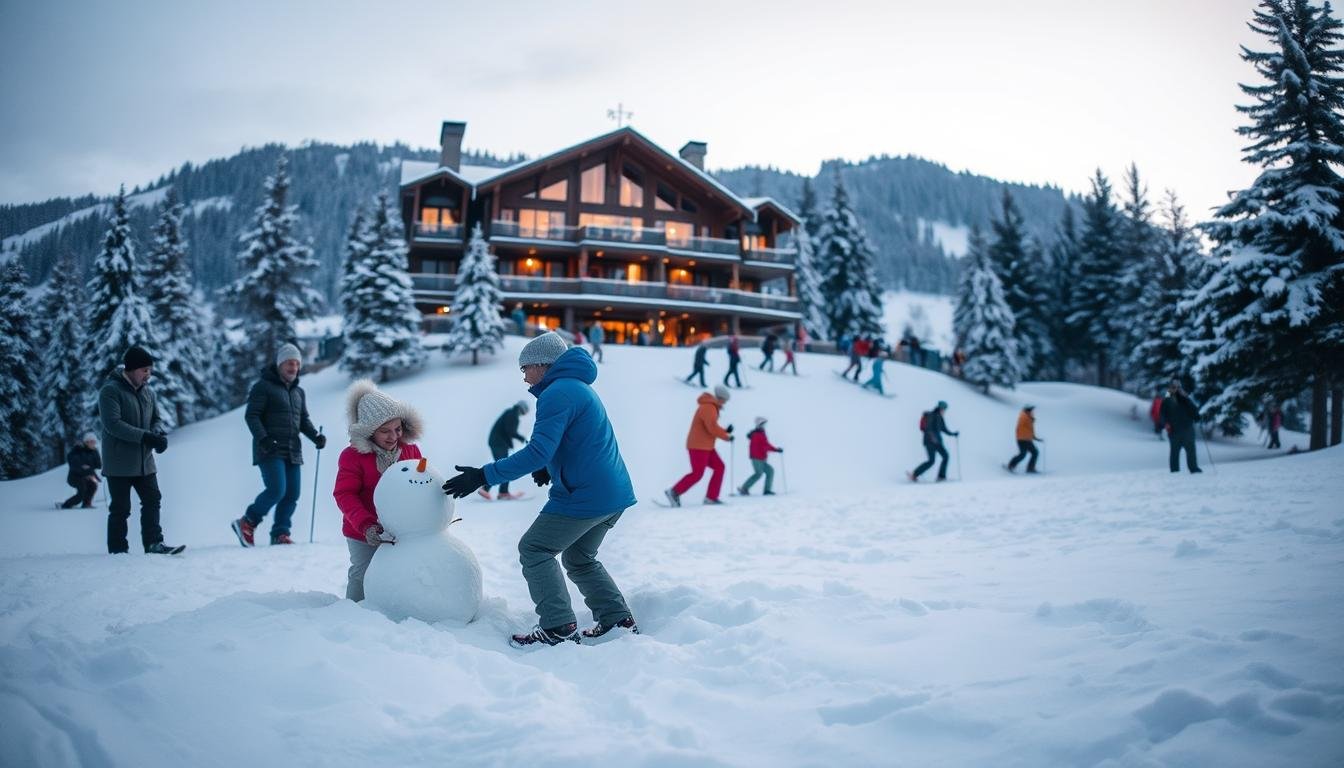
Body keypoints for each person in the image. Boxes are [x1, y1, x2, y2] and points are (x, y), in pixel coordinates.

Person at [441, 332, 639, 647]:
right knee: (579, 557)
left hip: (585, 495)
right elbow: (576, 441)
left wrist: (484, 476)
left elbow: (538, 451)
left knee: (535, 549)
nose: (524, 378)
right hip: (611, 493)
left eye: (525, 369)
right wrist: (550, 467)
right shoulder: (577, 388)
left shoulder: (557, 393)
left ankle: (558, 626)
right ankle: (617, 618)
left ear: (542, 365)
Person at [332, 379, 425, 602]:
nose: (393, 436)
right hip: (363, 531)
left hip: (402, 529)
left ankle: (395, 608)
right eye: (385, 431)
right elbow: (345, 494)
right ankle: (354, 609)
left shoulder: (410, 450)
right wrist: (366, 526)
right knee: (364, 572)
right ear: (369, 431)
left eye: (398, 429)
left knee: (401, 572)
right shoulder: (353, 456)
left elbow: (420, 484)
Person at [232, 343, 327, 547]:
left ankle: (280, 533)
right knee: (276, 489)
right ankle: (247, 522)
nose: (293, 367)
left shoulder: (298, 392)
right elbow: (252, 415)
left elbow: (303, 420)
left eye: (296, 363)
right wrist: (264, 440)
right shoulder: (263, 386)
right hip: (269, 448)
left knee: (292, 493)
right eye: (289, 363)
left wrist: (315, 437)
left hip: (293, 449)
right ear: (279, 364)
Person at [99, 345, 182, 555]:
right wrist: (146, 436)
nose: (148, 375)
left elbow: (156, 419)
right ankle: (118, 551)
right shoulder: (110, 390)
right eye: (144, 370)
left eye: (150, 370)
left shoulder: (148, 393)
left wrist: (157, 433)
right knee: (121, 509)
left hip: (144, 461)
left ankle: (154, 544)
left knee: (153, 500)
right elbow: (113, 424)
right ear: (131, 369)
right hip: (118, 462)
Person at [665, 384, 734, 506]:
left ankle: (711, 497)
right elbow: (711, 427)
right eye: (725, 400)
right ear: (720, 398)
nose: (725, 403)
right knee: (697, 473)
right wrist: (726, 437)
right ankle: (674, 491)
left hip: (706, 446)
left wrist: (725, 431)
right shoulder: (708, 407)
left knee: (719, 467)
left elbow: (711, 425)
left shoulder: (711, 406)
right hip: (698, 446)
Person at [482, 400, 530, 501]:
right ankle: (490, 489)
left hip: (497, 442)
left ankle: (500, 491)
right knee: (504, 467)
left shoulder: (510, 413)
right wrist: (522, 439)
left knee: (503, 466)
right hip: (498, 443)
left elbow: (507, 430)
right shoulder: (513, 415)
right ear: (523, 409)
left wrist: (510, 443)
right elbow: (510, 431)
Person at [908, 400, 959, 482]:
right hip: (929, 442)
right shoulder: (931, 415)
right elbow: (928, 429)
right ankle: (914, 474)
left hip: (937, 442)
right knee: (932, 461)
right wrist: (933, 438)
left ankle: (941, 477)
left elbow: (944, 429)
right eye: (944, 409)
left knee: (945, 456)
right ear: (940, 408)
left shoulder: (940, 417)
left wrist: (953, 434)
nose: (945, 411)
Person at [1158, 381, 1202, 473]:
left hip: (1187, 429)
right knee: (1174, 451)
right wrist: (1165, 424)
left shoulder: (1186, 399)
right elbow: (1162, 414)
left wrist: (1197, 416)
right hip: (1174, 430)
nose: (1176, 389)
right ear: (1170, 388)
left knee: (1191, 450)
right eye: (1174, 387)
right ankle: (1174, 470)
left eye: (1178, 387)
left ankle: (1193, 468)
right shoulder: (1167, 399)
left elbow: (1194, 412)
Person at [738, 417, 783, 495]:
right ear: (759, 425)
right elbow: (765, 446)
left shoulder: (761, 433)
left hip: (761, 458)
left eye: (764, 424)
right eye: (763, 424)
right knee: (758, 473)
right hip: (756, 458)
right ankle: (744, 488)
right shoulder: (757, 435)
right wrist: (776, 450)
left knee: (770, 471)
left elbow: (765, 445)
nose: (764, 426)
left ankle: (767, 490)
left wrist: (775, 450)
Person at [60, 432, 102, 509]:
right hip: (75, 477)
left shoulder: (94, 451)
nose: (93, 444)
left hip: (88, 476)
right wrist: (83, 467)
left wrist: (88, 468)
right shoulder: (77, 450)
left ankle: (86, 504)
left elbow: (98, 465)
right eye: (91, 442)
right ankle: (66, 505)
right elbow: (73, 464)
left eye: (94, 442)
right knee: (82, 491)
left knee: (93, 486)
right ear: (86, 442)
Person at [1005, 405, 1041, 473]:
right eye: (1031, 410)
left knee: (1032, 453)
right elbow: (1020, 427)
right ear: (1027, 410)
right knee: (1026, 454)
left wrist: (1034, 437)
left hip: (1026, 439)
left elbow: (1029, 429)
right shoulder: (1023, 417)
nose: (1032, 411)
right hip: (1023, 439)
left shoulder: (1028, 417)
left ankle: (1029, 468)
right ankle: (1012, 465)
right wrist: (1031, 419)